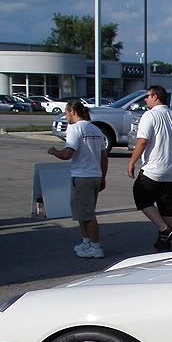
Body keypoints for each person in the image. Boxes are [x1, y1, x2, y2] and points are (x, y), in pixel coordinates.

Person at [127, 85, 172, 252]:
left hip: (153, 169)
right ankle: (165, 242)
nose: (145, 99)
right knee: (166, 206)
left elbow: (142, 141)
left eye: (147, 96)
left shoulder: (149, 116)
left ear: (155, 96)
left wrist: (131, 162)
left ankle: (165, 230)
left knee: (141, 197)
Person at [47, 99, 108, 258]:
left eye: (66, 112)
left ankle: (96, 247)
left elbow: (68, 153)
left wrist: (54, 151)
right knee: (83, 213)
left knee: (88, 214)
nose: (65, 116)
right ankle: (86, 242)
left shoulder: (75, 129)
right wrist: (103, 177)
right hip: (94, 175)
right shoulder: (95, 129)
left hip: (82, 176)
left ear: (73, 112)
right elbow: (104, 157)